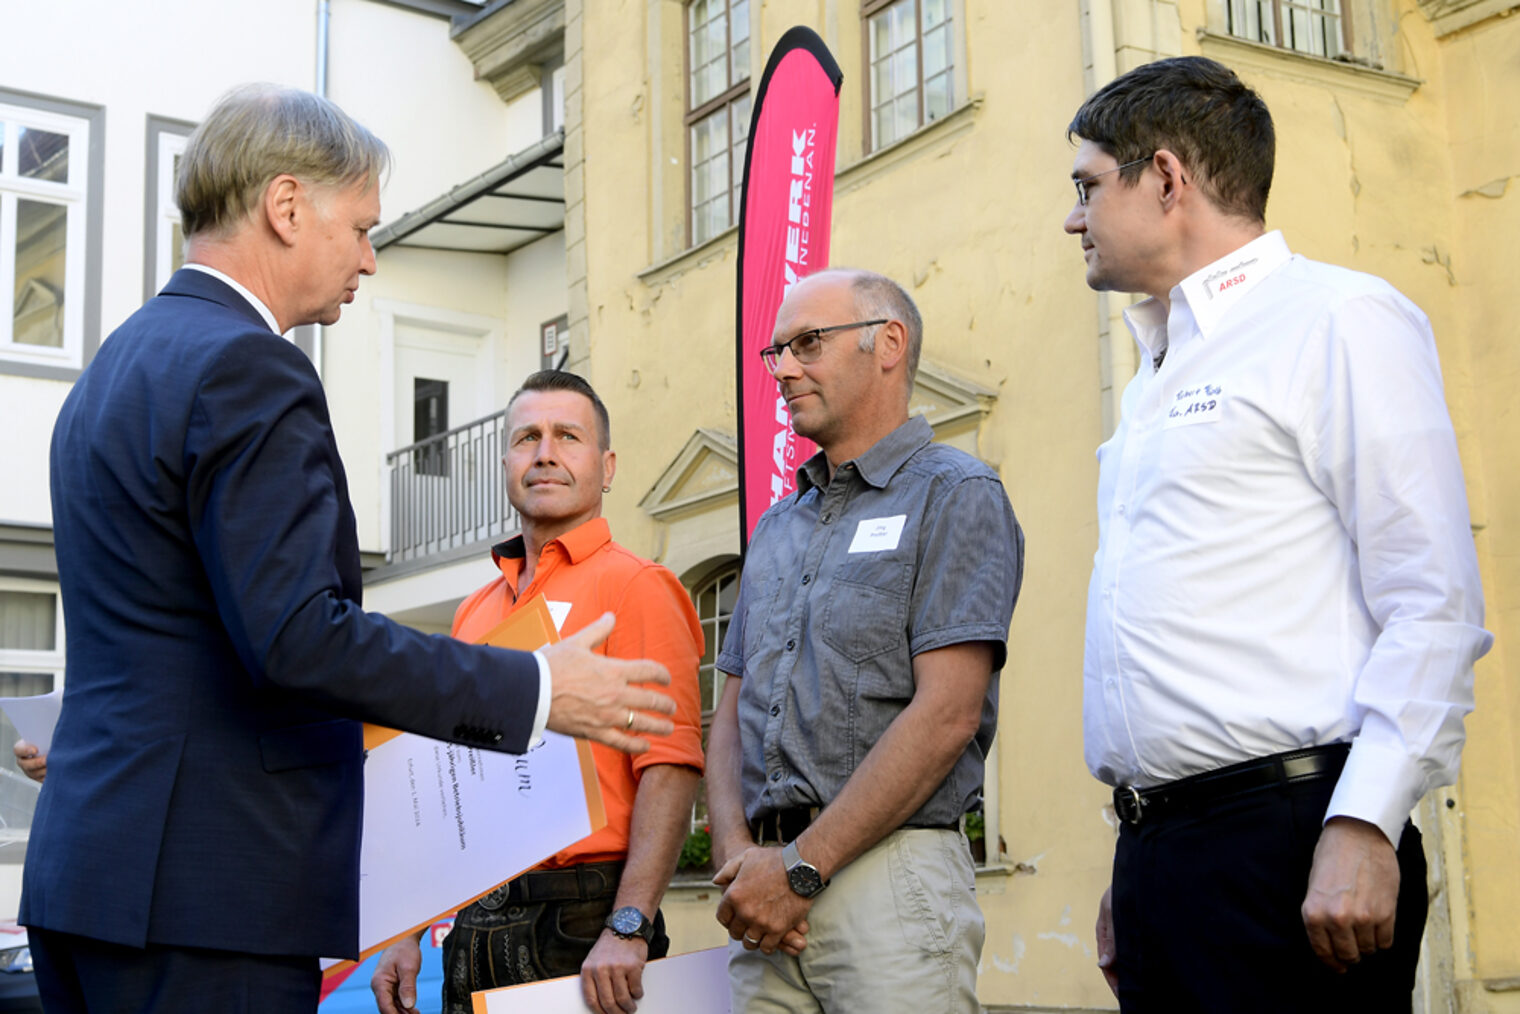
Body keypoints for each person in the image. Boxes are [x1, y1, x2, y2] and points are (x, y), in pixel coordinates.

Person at [22, 84, 677, 1014]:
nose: (369, 256)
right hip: (210, 898)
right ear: (287, 207)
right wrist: (538, 688)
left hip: (88, 879)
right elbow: (298, 638)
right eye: (362, 226)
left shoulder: (111, 370)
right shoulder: (248, 366)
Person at [1064, 56, 1492, 1012]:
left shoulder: (1339, 318)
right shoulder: (1159, 367)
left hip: (1296, 841)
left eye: (1087, 186)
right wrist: (1142, 856)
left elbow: (1432, 602)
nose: (1073, 218)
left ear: (1166, 178)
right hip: (1169, 856)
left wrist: (1367, 822)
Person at [705, 268, 1024, 1012]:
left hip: (889, 884)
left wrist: (801, 870)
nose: (783, 368)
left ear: (888, 344)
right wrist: (736, 859)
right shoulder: (776, 526)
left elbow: (946, 715)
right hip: (761, 898)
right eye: (777, 351)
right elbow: (730, 713)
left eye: (808, 343)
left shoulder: (956, 494)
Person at [371, 370, 703, 1014]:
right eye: (527, 438)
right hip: (477, 925)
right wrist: (406, 933)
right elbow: (447, 784)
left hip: (585, 919)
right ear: (506, 465)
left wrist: (629, 925)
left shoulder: (638, 586)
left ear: (607, 467)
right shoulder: (474, 610)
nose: (545, 453)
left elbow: (671, 765)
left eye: (567, 436)